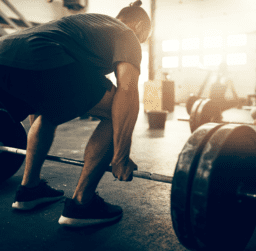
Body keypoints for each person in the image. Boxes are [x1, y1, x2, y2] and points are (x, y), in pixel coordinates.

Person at [0, 0, 151, 227]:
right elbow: (127, 91)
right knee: (116, 111)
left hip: (6, 55)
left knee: (48, 112)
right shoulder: (127, 33)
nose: (138, 43)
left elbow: (46, 102)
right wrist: (120, 156)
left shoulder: (88, 26)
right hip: (41, 57)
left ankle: (29, 190)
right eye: (142, 38)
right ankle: (82, 204)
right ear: (139, 26)